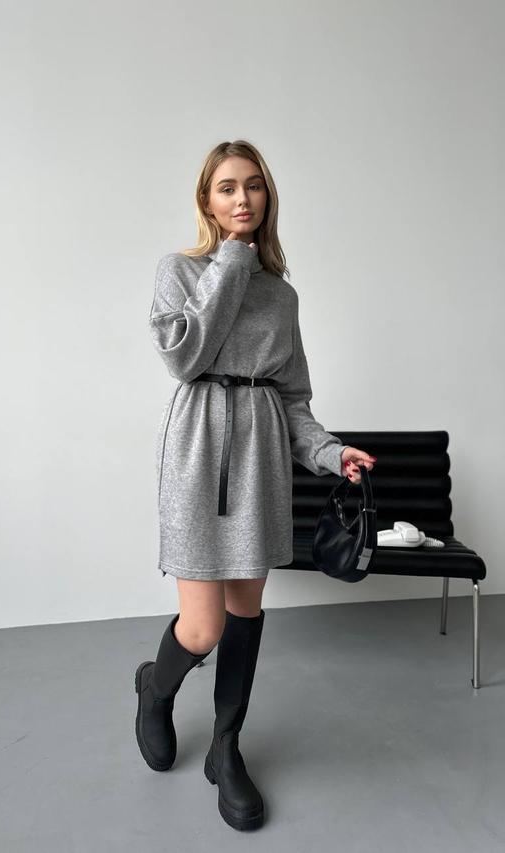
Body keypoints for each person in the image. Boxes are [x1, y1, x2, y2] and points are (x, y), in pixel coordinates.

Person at [135, 139, 376, 831]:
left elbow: (293, 399)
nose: (243, 198)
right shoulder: (180, 270)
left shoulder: (283, 295)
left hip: (262, 459)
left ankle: (226, 746)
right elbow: (185, 356)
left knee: (245, 613)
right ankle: (155, 687)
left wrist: (330, 453)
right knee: (203, 625)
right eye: (227, 187)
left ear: (268, 196)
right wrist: (233, 259)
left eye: (254, 186)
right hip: (197, 451)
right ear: (207, 200)